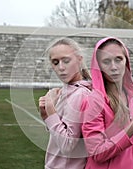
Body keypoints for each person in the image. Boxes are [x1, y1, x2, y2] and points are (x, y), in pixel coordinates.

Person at [81, 37, 133, 169]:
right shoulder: (94, 101)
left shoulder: (128, 95)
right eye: (106, 62)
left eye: (118, 59)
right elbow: (97, 153)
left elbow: (127, 136)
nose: (114, 67)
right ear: (98, 66)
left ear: (126, 62)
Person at [38, 37, 91, 169]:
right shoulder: (68, 90)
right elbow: (59, 132)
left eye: (66, 61)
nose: (61, 67)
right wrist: (46, 116)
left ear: (79, 60)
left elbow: (67, 145)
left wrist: (50, 109)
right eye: (55, 62)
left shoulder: (80, 94)